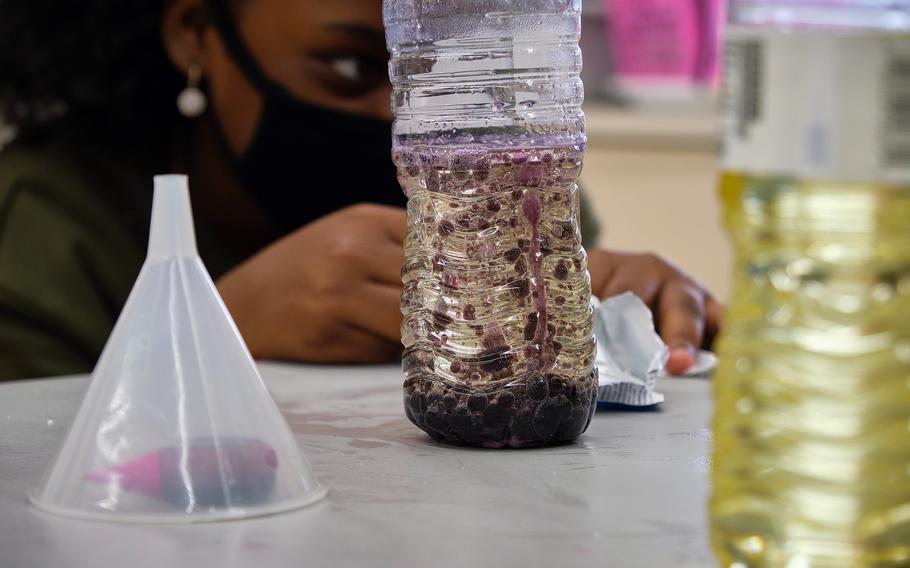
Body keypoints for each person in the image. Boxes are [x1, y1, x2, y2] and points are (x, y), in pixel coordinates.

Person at [0, 0, 721, 381]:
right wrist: (212, 334)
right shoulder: (44, 223)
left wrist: (615, 323)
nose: (406, 123)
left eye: (443, 76)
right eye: (347, 68)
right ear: (196, 33)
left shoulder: (515, 194)